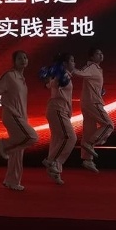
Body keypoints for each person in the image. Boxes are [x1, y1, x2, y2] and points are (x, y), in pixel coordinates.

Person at [0, 50, 39, 191]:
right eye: (19, 58)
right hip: (12, 115)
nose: (23, 60)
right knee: (32, 137)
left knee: (18, 151)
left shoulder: (22, 79)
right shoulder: (10, 76)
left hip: (21, 117)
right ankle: (3, 144)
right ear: (14, 61)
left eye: (25, 57)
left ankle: (12, 181)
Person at [72, 47, 114, 173]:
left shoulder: (97, 68)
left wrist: (100, 90)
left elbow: (91, 81)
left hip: (90, 101)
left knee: (89, 130)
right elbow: (80, 72)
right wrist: (69, 68)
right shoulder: (91, 67)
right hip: (93, 102)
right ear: (91, 57)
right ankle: (90, 143)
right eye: (97, 53)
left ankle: (87, 160)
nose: (100, 55)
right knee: (108, 125)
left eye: (101, 53)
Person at [42, 52, 77, 185]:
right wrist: (53, 75)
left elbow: (49, 84)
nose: (74, 63)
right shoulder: (62, 76)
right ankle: (51, 161)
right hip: (57, 109)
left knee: (57, 140)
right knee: (70, 137)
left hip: (60, 110)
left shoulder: (63, 75)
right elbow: (54, 84)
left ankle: (55, 172)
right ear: (64, 64)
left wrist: (48, 77)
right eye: (72, 61)